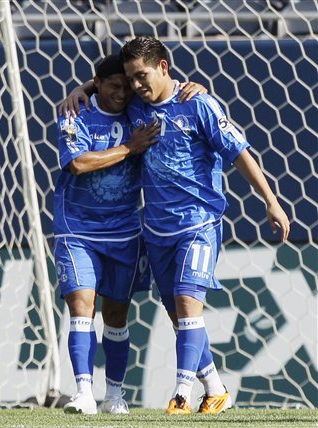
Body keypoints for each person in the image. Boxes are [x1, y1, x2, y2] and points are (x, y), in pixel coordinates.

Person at [117, 36, 290, 415]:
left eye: (141, 75)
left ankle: (181, 394)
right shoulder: (134, 107)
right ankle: (215, 389)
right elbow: (104, 87)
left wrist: (271, 201)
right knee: (179, 316)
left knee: (187, 302)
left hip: (199, 222)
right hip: (157, 228)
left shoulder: (199, 104)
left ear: (163, 67)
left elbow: (239, 152)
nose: (135, 85)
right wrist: (80, 90)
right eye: (130, 79)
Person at [54, 55, 207, 415]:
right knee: (81, 307)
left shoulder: (139, 112)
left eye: (127, 86)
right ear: (98, 84)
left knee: (116, 315)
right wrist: (128, 147)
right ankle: (83, 392)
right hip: (77, 229)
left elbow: (165, 91)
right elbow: (77, 163)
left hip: (125, 231)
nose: (123, 93)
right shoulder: (75, 113)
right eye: (114, 86)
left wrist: (196, 87)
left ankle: (114, 395)